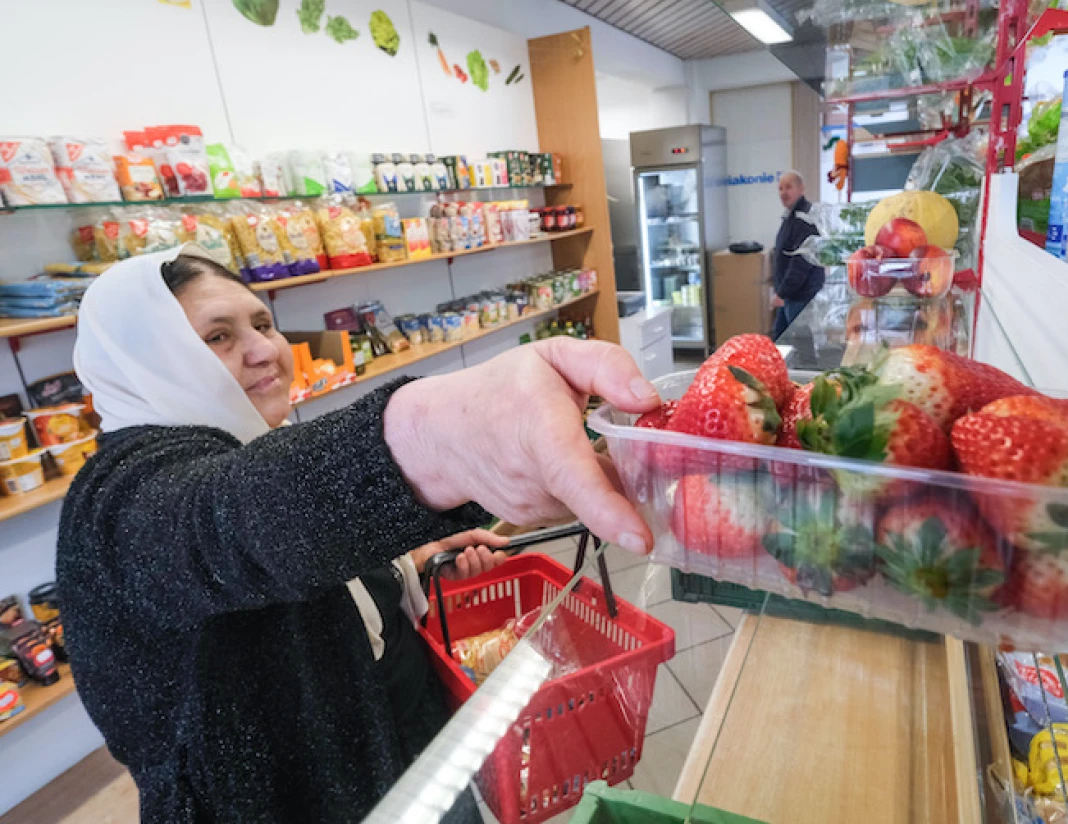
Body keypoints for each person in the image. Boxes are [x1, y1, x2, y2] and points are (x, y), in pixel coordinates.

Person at [57, 244, 660, 823]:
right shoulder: (118, 501)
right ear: (146, 361)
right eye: (218, 337)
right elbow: (235, 520)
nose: (265, 350)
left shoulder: (250, 440)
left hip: (409, 749)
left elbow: (300, 553)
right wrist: (442, 435)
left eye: (263, 324)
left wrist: (412, 558)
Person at [769, 170, 822, 338]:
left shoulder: (803, 219)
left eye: (788, 187)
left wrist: (782, 292)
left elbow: (800, 263)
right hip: (791, 296)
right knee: (780, 339)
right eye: (780, 188)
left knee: (800, 344)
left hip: (799, 296)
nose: (783, 193)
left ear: (801, 189)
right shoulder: (790, 217)